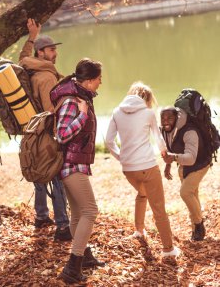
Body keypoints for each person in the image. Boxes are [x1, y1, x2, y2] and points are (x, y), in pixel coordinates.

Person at [105, 82, 179, 257]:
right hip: (147, 166)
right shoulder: (148, 113)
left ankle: (139, 230)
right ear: (147, 99)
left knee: (143, 194)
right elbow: (158, 138)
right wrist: (164, 153)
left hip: (128, 169)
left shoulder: (117, 112)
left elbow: (109, 140)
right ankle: (168, 249)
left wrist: (121, 157)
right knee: (158, 207)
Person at [50, 58, 105, 284]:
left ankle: (84, 257)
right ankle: (72, 267)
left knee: (78, 214)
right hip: (71, 166)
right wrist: (82, 116)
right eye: (99, 79)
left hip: (74, 164)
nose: (101, 83)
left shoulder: (81, 98)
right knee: (90, 211)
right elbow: (62, 135)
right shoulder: (73, 102)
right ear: (90, 80)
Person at [19, 18, 71, 241]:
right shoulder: (47, 76)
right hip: (47, 132)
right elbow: (52, 112)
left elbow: (22, 57)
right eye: (51, 50)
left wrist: (32, 37)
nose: (54, 53)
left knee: (40, 174)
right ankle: (62, 226)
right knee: (55, 175)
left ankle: (41, 216)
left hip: (32, 132)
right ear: (41, 53)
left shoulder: (30, 68)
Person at [160, 106, 211, 241]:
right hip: (184, 165)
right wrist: (168, 164)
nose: (166, 121)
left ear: (177, 118)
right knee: (193, 195)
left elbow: (191, 158)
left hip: (200, 164)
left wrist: (174, 157)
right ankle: (196, 231)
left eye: (170, 118)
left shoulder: (189, 132)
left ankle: (199, 224)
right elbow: (168, 148)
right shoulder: (165, 130)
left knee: (185, 193)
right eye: (163, 118)